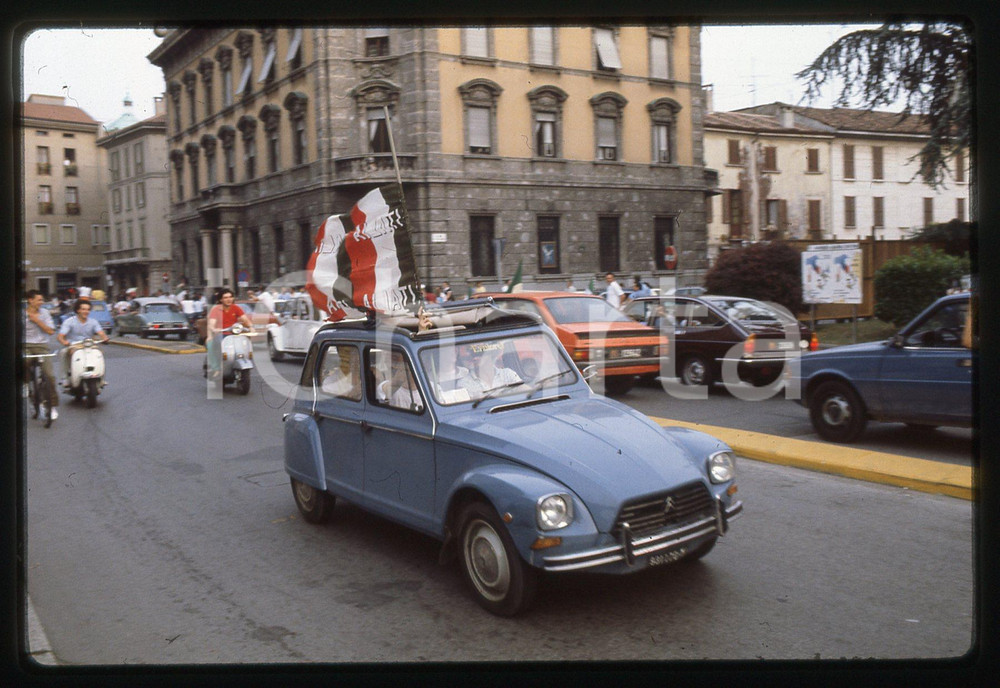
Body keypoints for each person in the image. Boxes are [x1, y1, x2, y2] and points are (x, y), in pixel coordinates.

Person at [23, 290, 59, 420]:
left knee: (49, 376)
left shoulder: (45, 313)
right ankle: (25, 383)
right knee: (24, 362)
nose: (41, 302)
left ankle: (52, 406)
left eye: (42, 300)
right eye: (39, 300)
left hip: (42, 346)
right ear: (30, 300)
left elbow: (50, 331)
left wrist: (37, 321)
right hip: (25, 345)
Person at [57, 299, 110, 386]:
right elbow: (60, 336)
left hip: (89, 344)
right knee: (63, 353)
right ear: (78, 310)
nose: (86, 311)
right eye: (83, 309)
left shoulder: (93, 322)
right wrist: (65, 342)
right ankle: (65, 378)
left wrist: (105, 338)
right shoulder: (69, 321)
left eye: (88, 309)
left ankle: (101, 378)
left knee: (99, 353)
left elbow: (101, 333)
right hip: (73, 345)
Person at [206, 288, 255, 379]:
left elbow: (245, 319)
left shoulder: (236, 308)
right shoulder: (216, 309)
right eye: (225, 297)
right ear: (221, 300)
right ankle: (216, 368)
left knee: (244, 344)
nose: (228, 299)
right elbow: (211, 323)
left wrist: (251, 327)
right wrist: (214, 329)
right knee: (211, 344)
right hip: (221, 333)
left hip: (234, 333)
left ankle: (242, 360)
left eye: (230, 297)